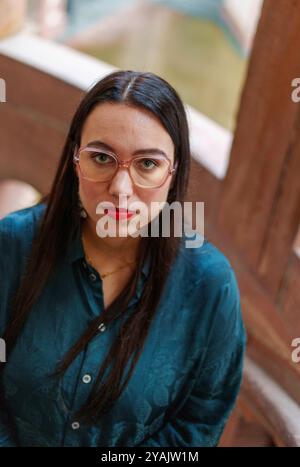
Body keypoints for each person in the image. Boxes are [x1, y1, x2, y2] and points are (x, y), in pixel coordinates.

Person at [0, 70, 246, 447]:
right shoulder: (13, 245)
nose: (120, 188)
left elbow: (198, 423)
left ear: (173, 171)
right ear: (74, 161)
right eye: (101, 157)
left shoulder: (209, 286)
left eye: (147, 164)